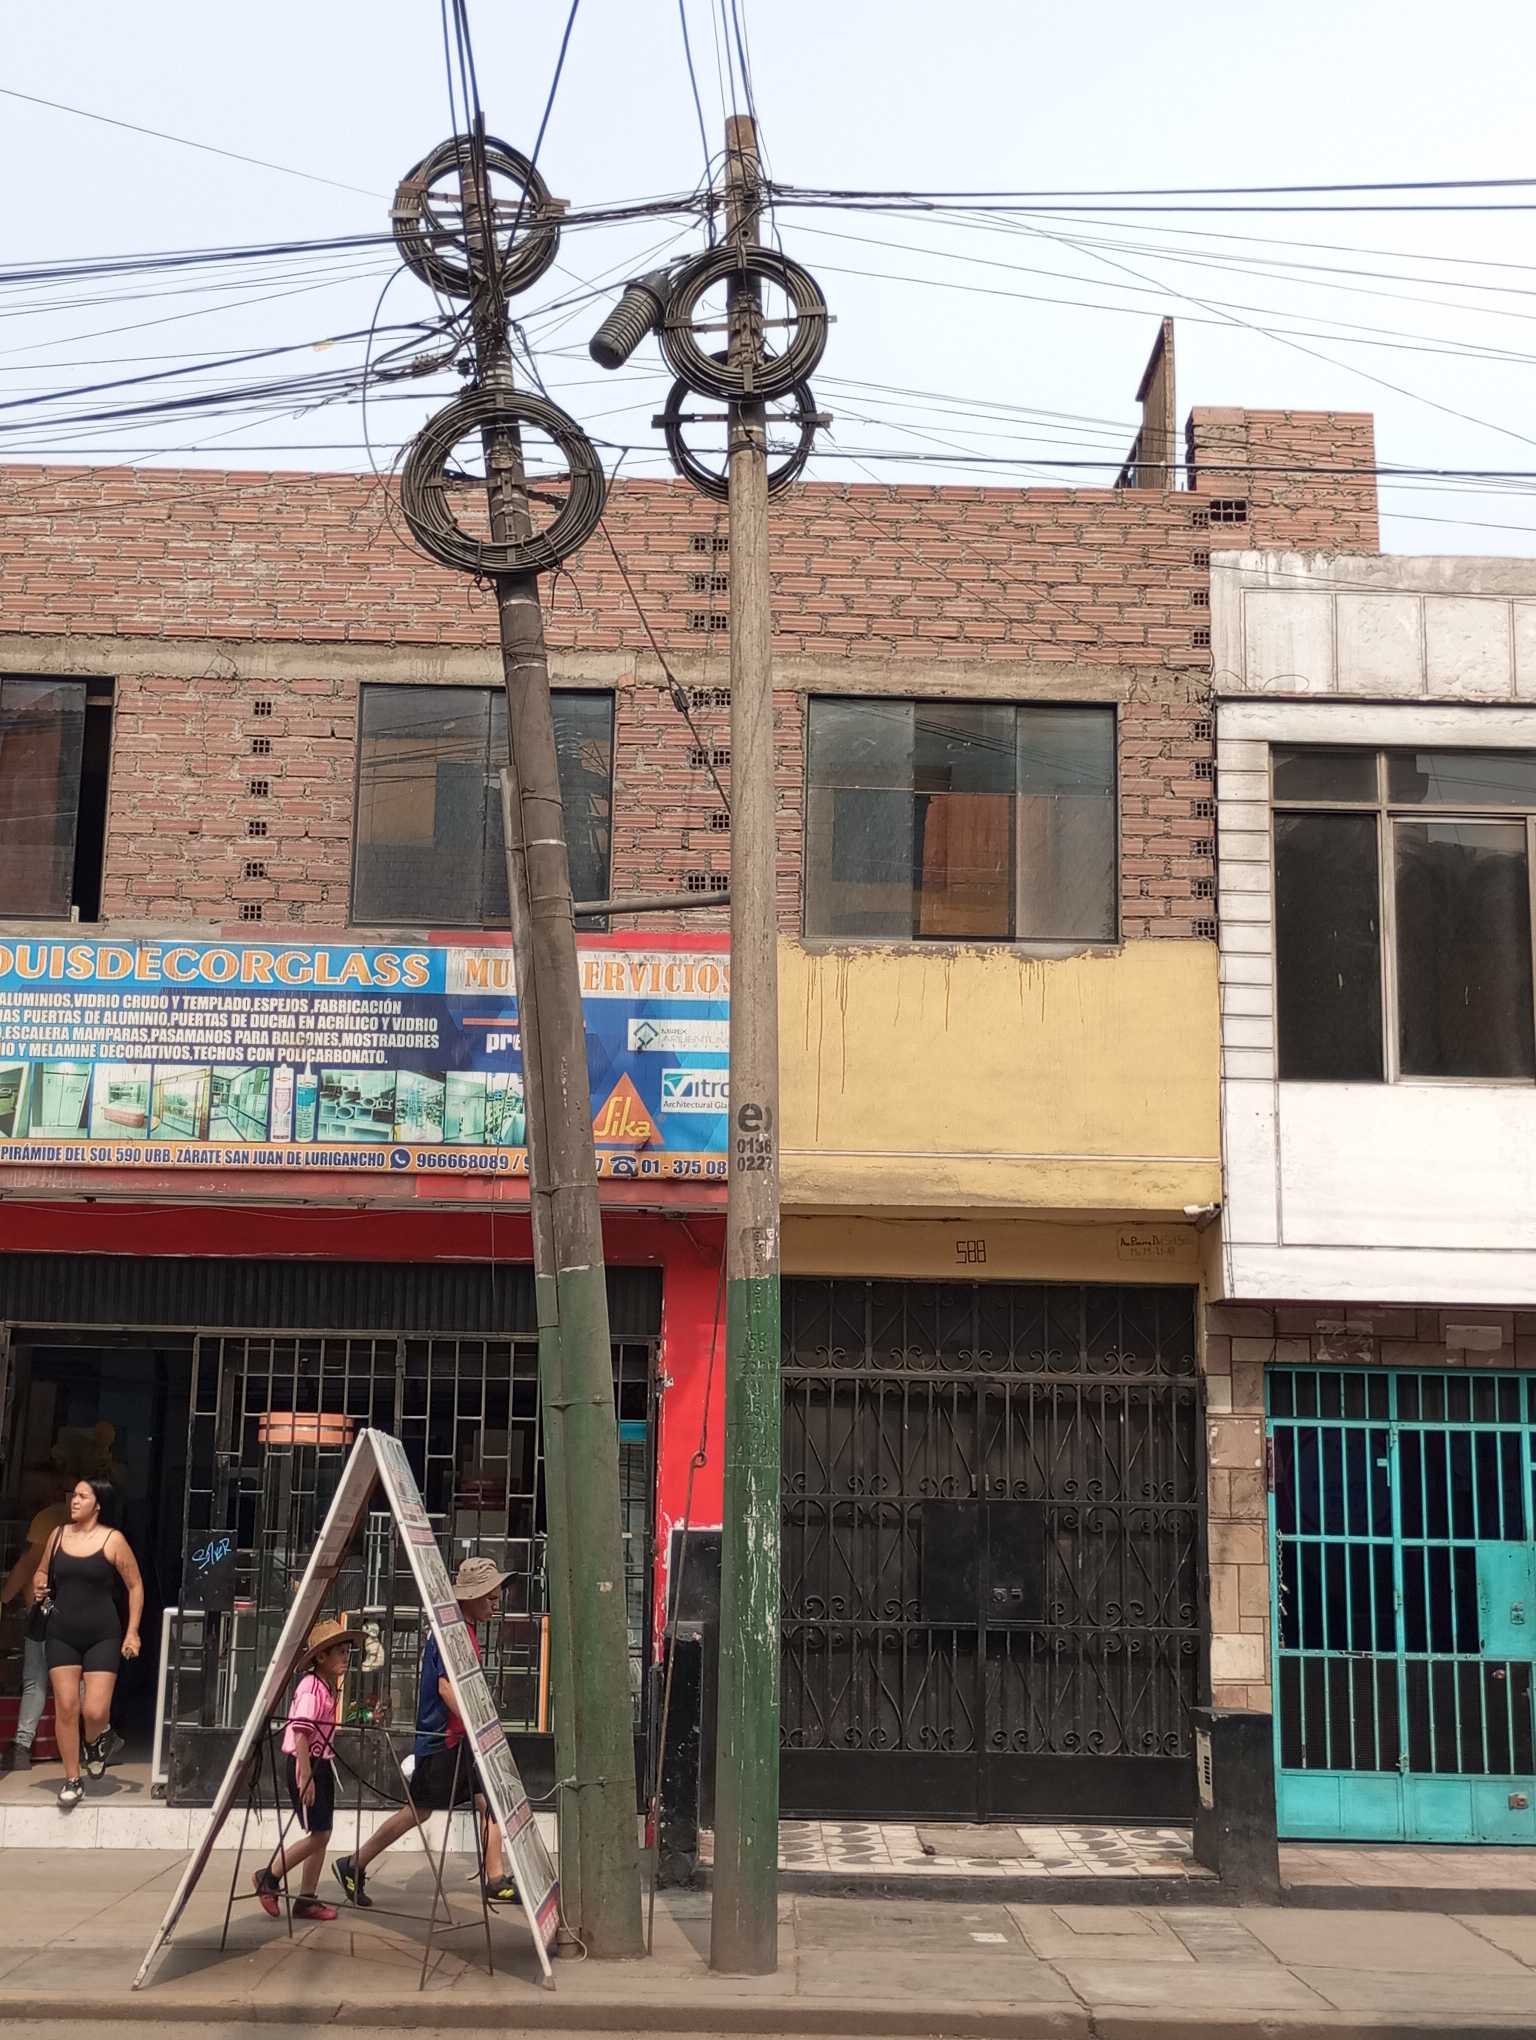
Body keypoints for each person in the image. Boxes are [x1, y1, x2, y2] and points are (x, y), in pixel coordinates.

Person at [332, 1555, 519, 1910]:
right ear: (471, 1597)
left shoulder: (464, 1629)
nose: (496, 1605)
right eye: (491, 1598)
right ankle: (354, 1862)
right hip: (443, 1741)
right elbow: (446, 1689)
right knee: (419, 1812)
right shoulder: (452, 1634)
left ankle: (496, 1878)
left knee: (489, 1801)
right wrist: (478, 1725)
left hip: (458, 1740)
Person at [33, 1478, 143, 1811]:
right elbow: (41, 1572)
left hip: (102, 1634)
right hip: (61, 1632)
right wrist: (39, 1585)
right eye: (74, 1495)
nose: (75, 1501)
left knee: (94, 1710)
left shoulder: (113, 1540)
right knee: (67, 1706)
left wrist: (132, 1632)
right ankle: (72, 1779)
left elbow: (135, 1586)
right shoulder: (57, 1536)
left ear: (98, 1504)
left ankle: (97, 1739)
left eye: (83, 1496)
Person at [252, 1619, 359, 1923]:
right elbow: (300, 1732)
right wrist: (306, 1775)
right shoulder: (311, 1689)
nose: (345, 1658)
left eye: (347, 1652)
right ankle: (269, 1876)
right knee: (319, 1835)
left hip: (320, 1763)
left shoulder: (326, 1687)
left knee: (322, 1832)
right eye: (339, 1652)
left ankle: (307, 1898)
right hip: (306, 1763)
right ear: (321, 1657)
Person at [1, 1483, 68, 1772]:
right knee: (73, 1681)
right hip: (71, 1614)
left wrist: (4, 1599)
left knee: (36, 1681)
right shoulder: (96, 1527)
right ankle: (91, 1741)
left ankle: (22, 1746)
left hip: (45, 1612)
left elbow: (28, 1564)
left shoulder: (49, 1517)